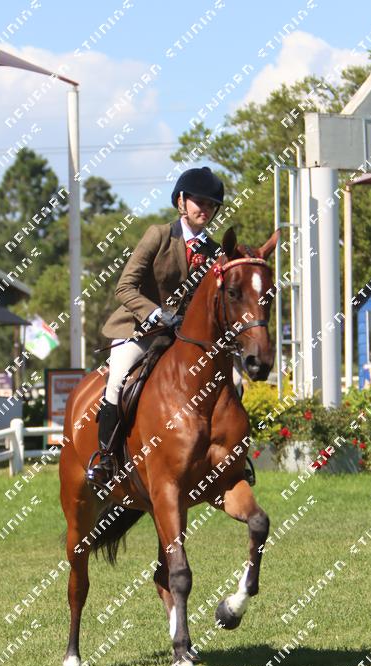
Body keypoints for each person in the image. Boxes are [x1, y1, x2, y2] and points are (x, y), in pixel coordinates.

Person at [88, 166, 253, 490]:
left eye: (211, 205)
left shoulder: (215, 252)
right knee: (118, 380)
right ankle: (106, 459)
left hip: (185, 337)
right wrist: (156, 315)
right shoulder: (159, 235)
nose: (205, 209)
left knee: (234, 381)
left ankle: (233, 460)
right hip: (140, 329)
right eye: (199, 202)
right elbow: (125, 287)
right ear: (181, 202)